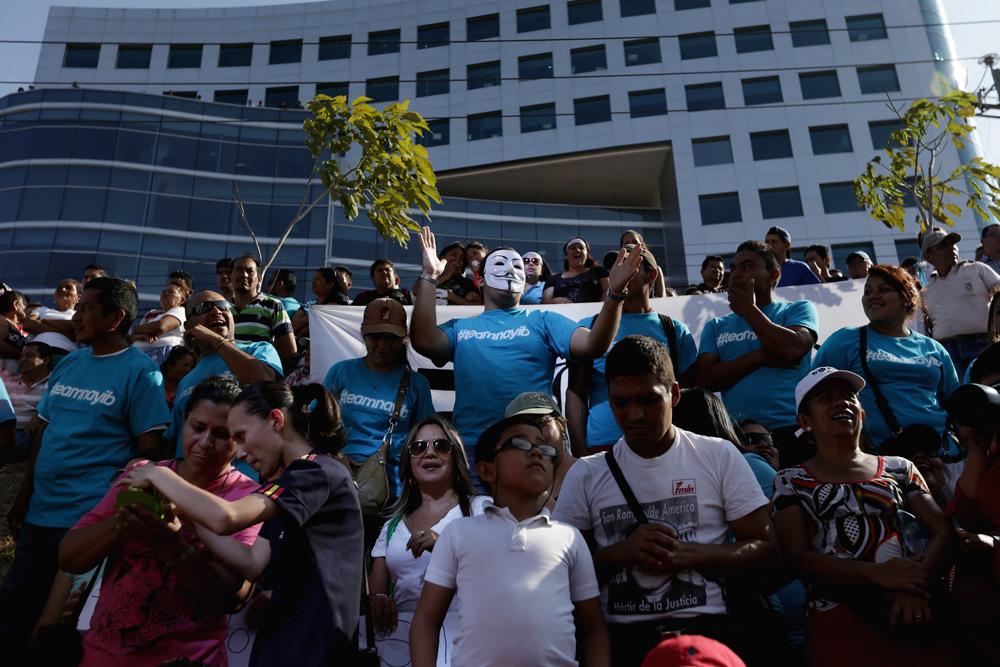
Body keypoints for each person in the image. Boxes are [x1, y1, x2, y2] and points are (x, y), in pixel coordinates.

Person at [554, 335, 775, 665]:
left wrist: (693, 554)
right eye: (621, 402)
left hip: (709, 637)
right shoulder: (586, 474)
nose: (635, 415)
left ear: (673, 394)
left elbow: (766, 548)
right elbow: (560, 571)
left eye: (647, 400)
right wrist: (620, 554)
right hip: (622, 642)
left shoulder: (718, 456)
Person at [117, 382, 364, 667]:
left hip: (315, 648)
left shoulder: (317, 470)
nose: (240, 453)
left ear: (275, 420)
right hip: (283, 645)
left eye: (242, 437)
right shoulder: (286, 485)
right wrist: (186, 516)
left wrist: (157, 473)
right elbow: (251, 562)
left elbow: (227, 517)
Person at [0, 277, 171, 659]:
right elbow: (43, 435)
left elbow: (150, 454)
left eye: (87, 308)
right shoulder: (70, 363)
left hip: (89, 522)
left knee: (63, 627)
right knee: (15, 609)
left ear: (115, 319)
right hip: (40, 515)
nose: (76, 316)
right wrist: (23, 499)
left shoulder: (142, 374)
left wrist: (122, 521)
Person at [410, 226, 642, 480]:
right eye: (500, 264)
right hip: (475, 453)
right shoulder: (460, 328)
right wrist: (429, 276)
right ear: (480, 280)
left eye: (518, 266)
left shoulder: (544, 320)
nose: (510, 270)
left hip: (537, 450)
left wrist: (615, 294)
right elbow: (423, 341)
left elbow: (593, 345)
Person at [59, 377, 260, 666]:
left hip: (189, 659)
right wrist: (126, 519)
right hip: (101, 656)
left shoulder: (246, 499)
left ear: (239, 439)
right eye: (197, 428)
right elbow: (69, 557)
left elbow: (232, 597)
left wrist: (173, 546)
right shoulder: (143, 475)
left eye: (221, 434)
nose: (205, 443)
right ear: (183, 422)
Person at [772, 367, 957, 667]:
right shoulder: (790, 480)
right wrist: (877, 574)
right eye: (825, 397)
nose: (840, 402)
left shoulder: (901, 467)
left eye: (848, 396)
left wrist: (911, 585)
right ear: (803, 421)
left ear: (862, 412)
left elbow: (943, 531)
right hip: (841, 625)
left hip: (917, 611)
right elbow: (796, 555)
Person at [411, 414, 610, 667]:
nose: (537, 452)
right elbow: (426, 620)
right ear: (486, 470)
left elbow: (593, 628)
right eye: (520, 444)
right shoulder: (458, 533)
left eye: (544, 448)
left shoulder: (569, 537)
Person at [693, 240, 819, 467]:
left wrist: (749, 311)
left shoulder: (798, 309)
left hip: (795, 431)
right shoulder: (716, 326)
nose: (736, 273)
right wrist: (761, 356)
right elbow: (705, 379)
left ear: (773, 275)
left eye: (747, 266)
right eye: (735, 267)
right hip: (739, 438)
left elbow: (793, 349)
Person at [813, 264, 959, 452]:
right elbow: (814, 393)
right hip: (878, 461)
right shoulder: (845, 340)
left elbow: (956, 404)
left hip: (938, 456)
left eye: (884, 290)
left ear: (907, 297)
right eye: (868, 291)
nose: (873, 296)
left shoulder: (934, 348)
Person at [566, 244, 698, 452]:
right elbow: (576, 393)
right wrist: (580, 450)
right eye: (615, 266)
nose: (619, 271)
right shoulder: (589, 327)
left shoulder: (674, 330)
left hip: (662, 449)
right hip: (601, 447)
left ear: (651, 275)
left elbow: (689, 396)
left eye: (629, 263)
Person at [368, 415, 486, 643]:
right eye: (419, 447)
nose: (429, 453)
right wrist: (378, 601)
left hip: (464, 640)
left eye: (441, 446)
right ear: (408, 463)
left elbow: (498, 566)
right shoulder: (391, 526)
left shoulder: (479, 509)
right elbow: (376, 592)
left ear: (456, 459)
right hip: (400, 642)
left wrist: (445, 545)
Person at [322, 298, 434, 495]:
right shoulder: (341, 372)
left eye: (390, 338)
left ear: (403, 339)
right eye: (375, 337)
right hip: (337, 481)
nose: (382, 345)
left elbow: (427, 437)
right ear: (363, 335)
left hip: (393, 489)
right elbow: (318, 424)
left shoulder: (417, 384)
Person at [166, 290, 282, 456]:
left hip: (245, 478)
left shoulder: (258, 350)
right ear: (189, 327)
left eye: (223, 306)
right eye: (204, 308)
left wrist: (217, 342)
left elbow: (263, 379)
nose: (216, 311)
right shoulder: (186, 380)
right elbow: (176, 440)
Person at [921, 229, 1000, 377]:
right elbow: (923, 329)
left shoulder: (976, 269)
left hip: (983, 344)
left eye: (952, 244)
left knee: (990, 391)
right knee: (961, 396)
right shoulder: (925, 291)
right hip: (946, 352)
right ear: (928, 255)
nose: (951, 248)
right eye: (943, 246)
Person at [504, 391, 577, 509]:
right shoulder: (512, 488)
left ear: (561, 425)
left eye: (541, 423)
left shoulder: (590, 474)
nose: (533, 436)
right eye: (521, 429)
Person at [229, 254, 297, 372]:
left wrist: (263, 366)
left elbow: (290, 349)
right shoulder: (221, 309)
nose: (244, 274)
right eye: (239, 270)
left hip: (257, 377)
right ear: (231, 276)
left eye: (250, 271)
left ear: (259, 278)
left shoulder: (273, 305)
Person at [4, 342, 52, 461]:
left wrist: (39, 416)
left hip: (26, 435)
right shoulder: (8, 382)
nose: (23, 360)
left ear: (45, 360)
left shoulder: (54, 384)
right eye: (22, 356)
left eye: (29, 356)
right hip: (5, 431)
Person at [128, 282, 187, 365]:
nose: (166, 293)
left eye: (171, 292)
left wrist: (136, 329)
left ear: (182, 300)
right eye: (164, 291)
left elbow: (160, 327)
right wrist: (139, 336)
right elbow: (129, 338)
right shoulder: (151, 313)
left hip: (160, 355)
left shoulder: (180, 311)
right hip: (137, 356)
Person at [543, 237, 610, 304]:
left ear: (587, 255)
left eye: (581, 248)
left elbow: (608, 291)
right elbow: (546, 301)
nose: (577, 250)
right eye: (573, 248)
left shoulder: (599, 272)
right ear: (566, 256)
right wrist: (555, 301)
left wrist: (602, 310)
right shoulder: (554, 279)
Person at [23, 278, 80, 353]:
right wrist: (66, 329)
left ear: (78, 297)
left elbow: (75, 327)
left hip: (65, 355)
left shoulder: (79, 314)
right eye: (59, 287)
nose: (63, 289)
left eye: (68, 288)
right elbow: (28, 324)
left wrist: (41, 323)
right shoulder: (41, 309)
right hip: (35, 354)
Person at [621, 230, 667, 297]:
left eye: (635, 242)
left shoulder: (656, 269)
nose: (631, 245)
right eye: (627, 243)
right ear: (622, 248)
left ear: (642, 245)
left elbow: (662, 298)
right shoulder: (619, 271)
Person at [0, 289, 27, 377]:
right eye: (24, 305)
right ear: (16, 305)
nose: (25, 308)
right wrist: (22, 355)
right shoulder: (2, 320)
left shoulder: (14, 326)